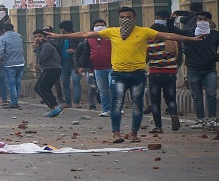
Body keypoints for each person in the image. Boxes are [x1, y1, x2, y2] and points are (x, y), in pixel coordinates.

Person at [47, 7, 201, 144]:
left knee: (137, 105)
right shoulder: (112, 32)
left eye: (128, 17)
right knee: (117, 104)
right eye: (122, 17)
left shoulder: (144, 31)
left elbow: (168, 36)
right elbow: (86, 34)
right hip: (119, 74)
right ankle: (116, 134)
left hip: (138, 74)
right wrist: (60, 36)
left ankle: (134, 134)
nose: (125, 19)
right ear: (118, 19)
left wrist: (191, 39)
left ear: (134, 19)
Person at [179, 11, 219, 129]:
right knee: (196, 96)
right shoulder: (190, 34)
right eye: (199, 19)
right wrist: (173, 18)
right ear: (196, 21)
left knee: (211, 94)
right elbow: (173, 31)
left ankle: (212, 119)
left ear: (210, 22)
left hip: (210, 69)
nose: (202, 21)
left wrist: (215, 58)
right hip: (193, 69)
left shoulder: (215, 35)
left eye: (205, 19)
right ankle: (200, 120)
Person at [145, 11, 181, 133]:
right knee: (170, 98)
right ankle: (174, 114)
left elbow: (145, 59)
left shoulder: (149, 43)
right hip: (170, 73)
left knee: (155, 101)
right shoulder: (173, 41)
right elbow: (177, 55)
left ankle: (158, 127)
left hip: (155, 74)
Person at [31, 29, 62, 117]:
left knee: (40, 87)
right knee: (44, 88)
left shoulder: (47, 45)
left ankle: (53, 107)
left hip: (51, 69)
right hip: (50, 68)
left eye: (40, 36)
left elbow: (41, 58)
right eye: (36, 37)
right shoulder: (43, 46)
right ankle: (54, 106)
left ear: (45, 37)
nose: (37, 38)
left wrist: (35, 48)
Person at [0, 23, 25, 108]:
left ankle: (14, 102)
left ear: (3, 30)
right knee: (17, 82)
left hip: (9, 63)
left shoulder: (3, 38)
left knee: (11, 83)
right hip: (21, 62)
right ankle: (15, 100)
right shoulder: (19, 36)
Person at [57, 20, 82, 107]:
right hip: (63, 63)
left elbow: (83, 50)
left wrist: (74, 51)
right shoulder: (61, 38)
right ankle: (68, 102)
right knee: (64, 83)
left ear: (64, 29)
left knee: (76, 82)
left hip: (75, 64)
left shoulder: (77, 37)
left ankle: (76, 102)